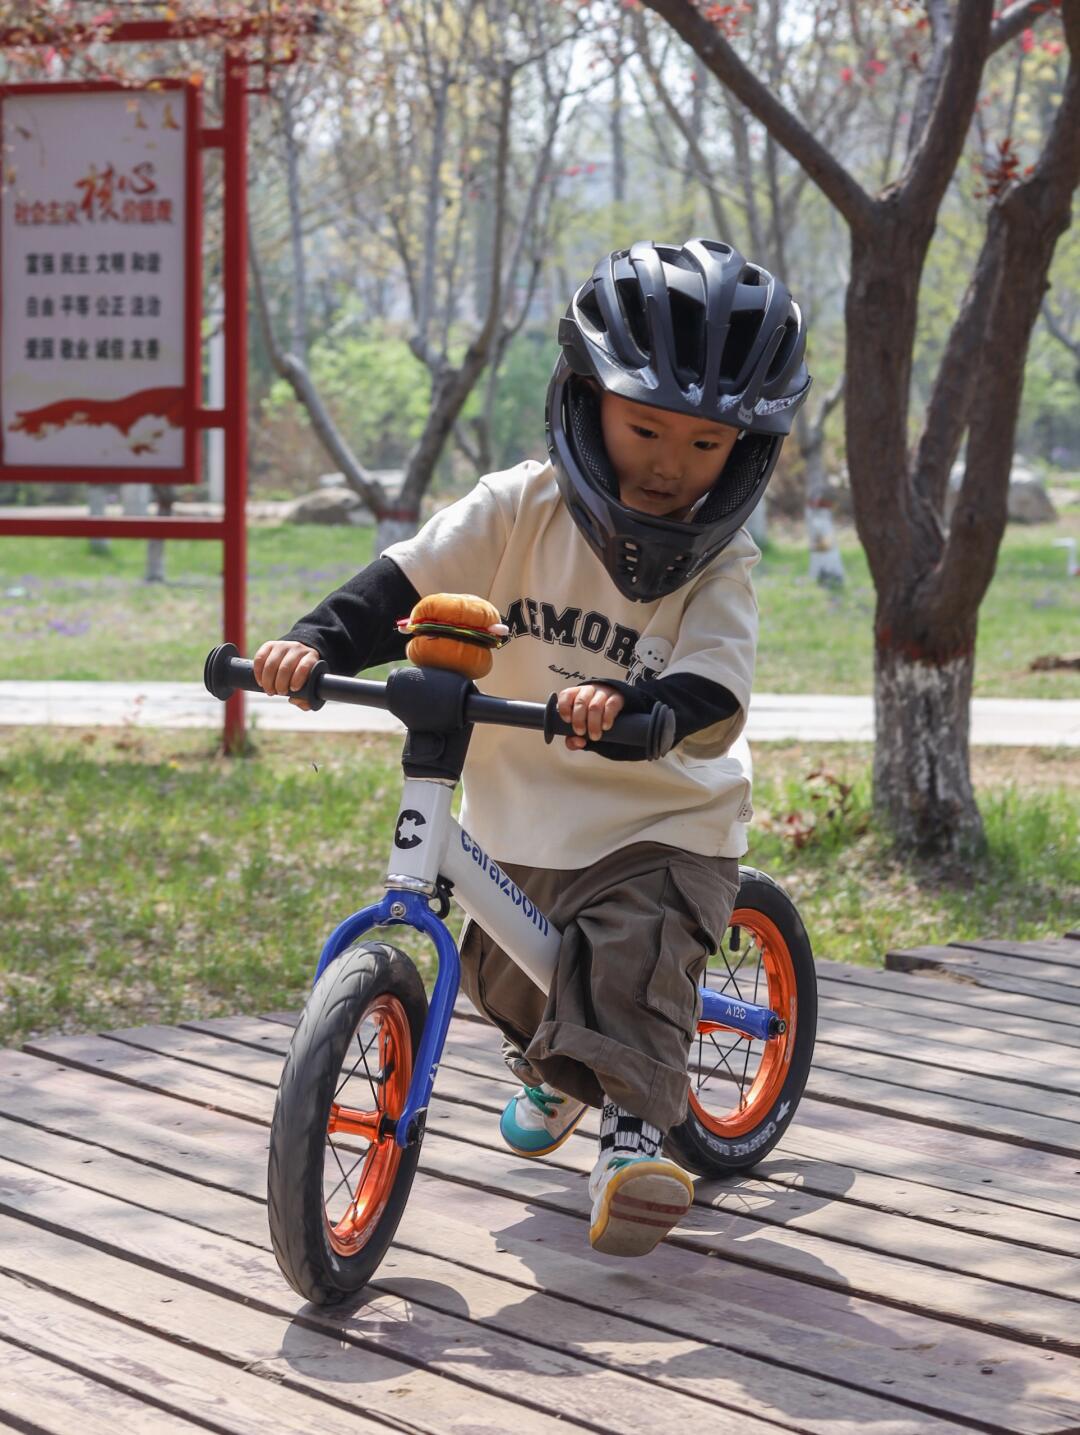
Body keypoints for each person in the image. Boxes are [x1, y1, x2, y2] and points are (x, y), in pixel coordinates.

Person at [254, 239, 811, 1257]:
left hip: (658, 823)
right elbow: (403, 582)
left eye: (704, 446)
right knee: (505, 976)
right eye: (644, 427)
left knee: (630, 956)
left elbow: (716, 682)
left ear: (749, 450)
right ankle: (564, 1064)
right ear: (585, 398)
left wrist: (650, 709)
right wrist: (317, 644)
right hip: (522, 821)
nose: (667, 464)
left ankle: (638, 1135)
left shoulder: (719, 559)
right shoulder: (518, 508)